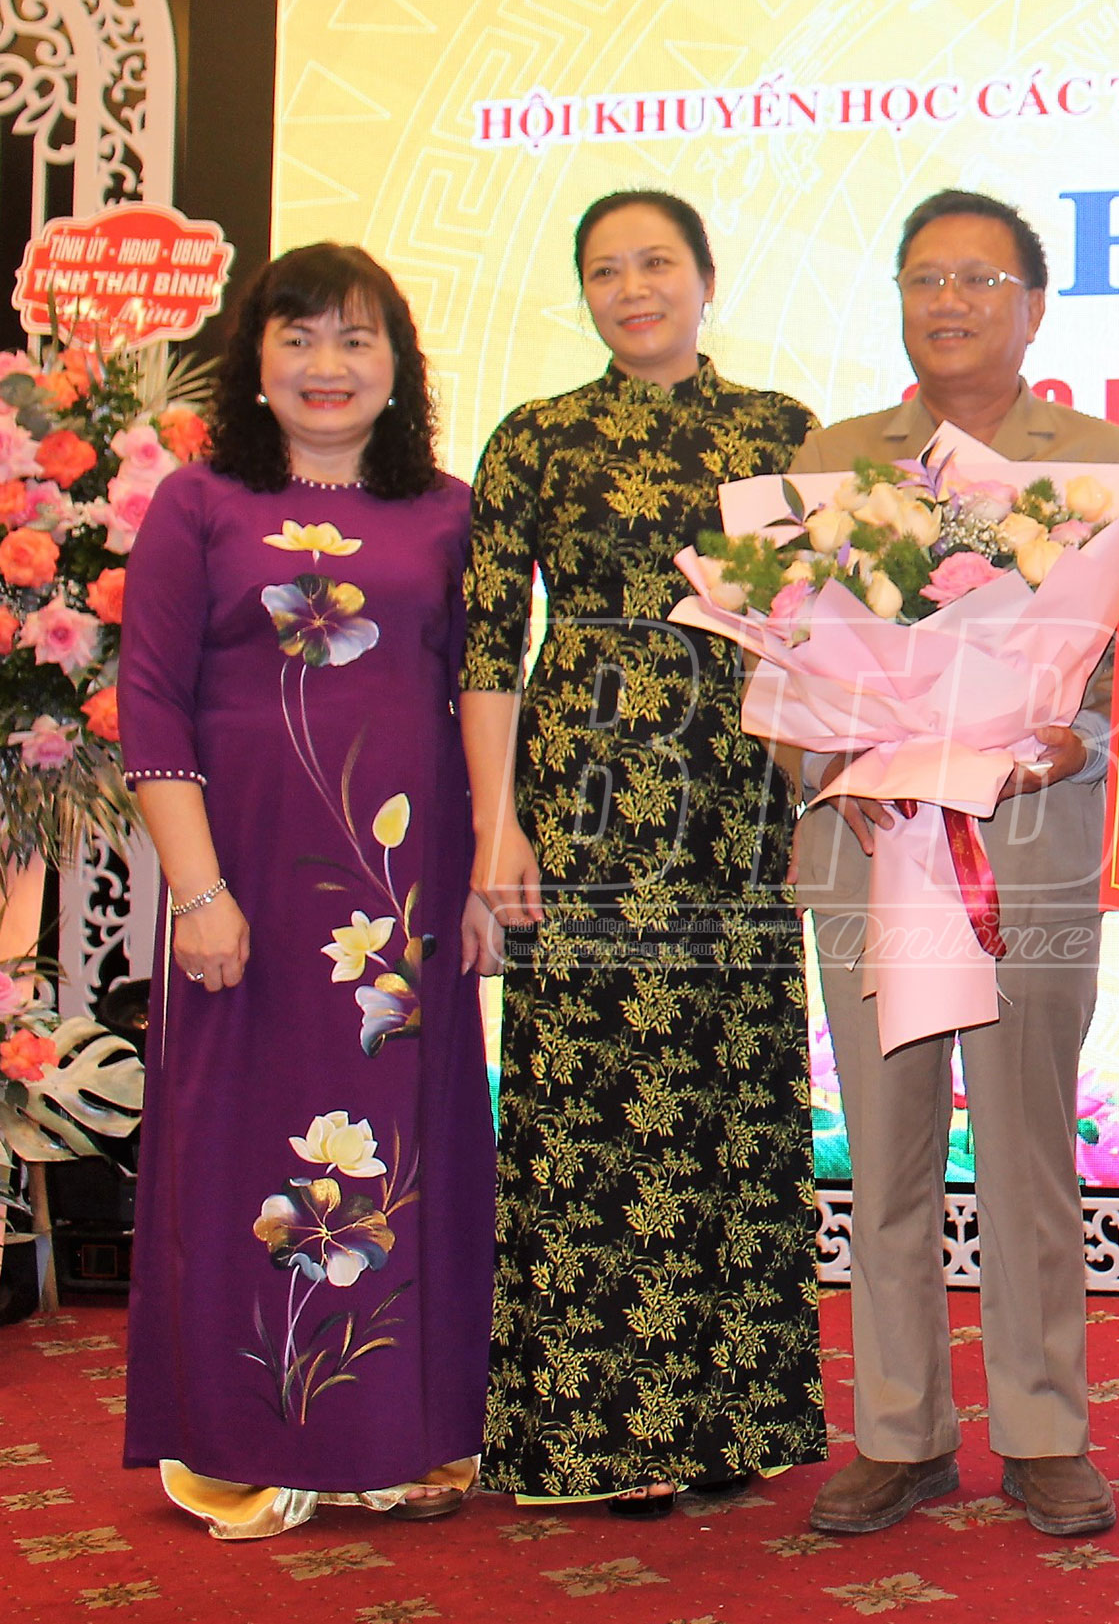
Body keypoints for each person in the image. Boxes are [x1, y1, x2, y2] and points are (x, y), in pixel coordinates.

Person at [788, 190, 1119, 1538]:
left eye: (979, 278)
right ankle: (898, 1434)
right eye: (925, 278)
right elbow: (785, 655)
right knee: (886, 1154)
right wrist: (834, 758)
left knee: (1025, 1152)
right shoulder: (834, 460)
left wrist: (1081, 743)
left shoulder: (1101, 460)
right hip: (871, 845)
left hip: (1031, 846)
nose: (948, 301)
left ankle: (1045, 1430)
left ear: (1035, 306)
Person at [119, 244, 500, 1538]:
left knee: (403, 1150)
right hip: (244, 897)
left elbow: (482, 699)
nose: (326, 365)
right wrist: (196, 891)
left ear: (399, 366)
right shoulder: (199, 503)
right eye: (299, 338)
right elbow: (151, 701)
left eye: (355, 339)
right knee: (238, 1146)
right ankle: (250, 1436)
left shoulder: (449, 511)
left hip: (404, 904)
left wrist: (490, 869)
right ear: (256, 361)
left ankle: (401, 1436)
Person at [463, 190, 826, 1514]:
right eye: (606, 270)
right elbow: (488, 643)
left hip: (736, 790)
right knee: (592, 1102)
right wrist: (496, 822)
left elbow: (821, 631)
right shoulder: (534, 437)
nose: (633, 288)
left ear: (707, 278)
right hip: (581, 794)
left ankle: (734, 1420)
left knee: (734, 1092)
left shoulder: (781, 431)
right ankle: (600, 1432)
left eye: (657, 262)